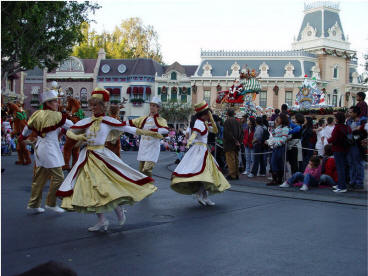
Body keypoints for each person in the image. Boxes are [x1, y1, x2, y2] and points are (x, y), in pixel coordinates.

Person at [57, 88, 161, 231]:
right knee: (92, 189)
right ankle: (102, 220)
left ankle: (118, 211)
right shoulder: (87, 121)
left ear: (102, 105)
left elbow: (130, 129)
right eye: (91, 105)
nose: (92, 108)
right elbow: (70, 131)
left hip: (102, 157)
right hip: (88, 157)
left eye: (95, 105)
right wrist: (79, 137)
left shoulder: (108, 121)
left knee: (106, 186)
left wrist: (152, 133)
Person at [19, 88, 73, 214]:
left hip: (40, 148)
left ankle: (33, 204)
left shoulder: (37, 114)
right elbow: (73, 125)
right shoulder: (57, 116)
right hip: (49, 150)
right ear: (48, 103)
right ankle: (51, 203)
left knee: (39, 178)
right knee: (59, 177)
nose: (57, 104)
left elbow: (27, 129)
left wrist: (22, 138)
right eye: (54, 102)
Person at [171, 101, 230, 206]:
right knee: (204, 174)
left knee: (207, 174)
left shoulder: (204, 123)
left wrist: (211, 120)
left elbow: (215, 131)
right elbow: (194, 134)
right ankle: (200, 194)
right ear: (205, 113)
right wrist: (189, 142)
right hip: (199, 150)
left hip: (203, 150)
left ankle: (204, 196)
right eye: (209, 113)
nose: (210, 115)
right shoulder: (198, 122)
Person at [126, 96, 168, 177]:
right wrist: (117, 123)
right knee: (141, 173)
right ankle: (145, 188)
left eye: (154, 106)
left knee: (147, 170)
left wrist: (154, 131)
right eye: (151, 105)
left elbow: (166, 130)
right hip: (143, 148)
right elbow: (130, 122)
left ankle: (149, 187)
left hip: (152, 149)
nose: (151, 107)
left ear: (158, 108)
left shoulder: (161, 120)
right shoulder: (143, 119)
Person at [327, 112, 350, 193]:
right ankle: (341, 184)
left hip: (337, 149)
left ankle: (342, 186)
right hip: (345, 149)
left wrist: (328, 140)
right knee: (343, 167)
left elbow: (333, 138)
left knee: (340, 168)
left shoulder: (337, 127)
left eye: (335, 118)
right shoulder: (347, 127)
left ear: (337, 119)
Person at [266, 113, 289, 185]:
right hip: (275, 147)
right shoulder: (278, 127)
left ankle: (278, 179)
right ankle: (275, 179)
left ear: (282, 119)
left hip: (279, 147)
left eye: (279, 118)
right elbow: (273, 135)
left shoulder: (285, 128)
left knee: (277, 163)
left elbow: (284, 139)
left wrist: (276, 144)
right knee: (274, 163)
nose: (277, 119)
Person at [346, 106, 364, 190]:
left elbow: (362, 132)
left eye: (351, 112)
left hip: (357, 144)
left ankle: (359, 182)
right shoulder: (349, 121)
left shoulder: (362, 121)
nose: (349, 113)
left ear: (355, 113)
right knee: (351, 163)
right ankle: (352, 181)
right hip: (349, 144)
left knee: (358, 163)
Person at [223, 109, 243, 180]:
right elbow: (241, 133)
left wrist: (234, 140)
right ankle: (236, 173)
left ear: (227, 114)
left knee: (230, 159)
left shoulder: (227, 122)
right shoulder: (238, 122)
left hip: (229, 144)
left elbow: (227, 133)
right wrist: (238, 142)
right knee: (236, 159)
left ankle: (232, 174)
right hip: (236, 144)